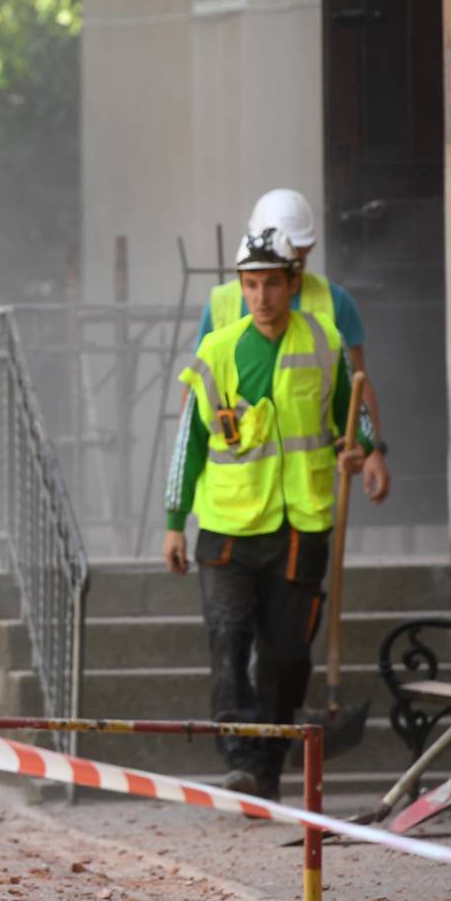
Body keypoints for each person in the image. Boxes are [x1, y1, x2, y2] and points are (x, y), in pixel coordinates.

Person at [163, 230, 389, 802]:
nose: (260, 296)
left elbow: (352, 412)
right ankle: (239, 756)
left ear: (294, 284)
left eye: (271, 284)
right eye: (250, 284)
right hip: (228, 527)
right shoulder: (217, 349)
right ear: (241, 287)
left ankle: (267, 772)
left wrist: (363, 449)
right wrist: (174, 520)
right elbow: (187, 440)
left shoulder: (324, 341)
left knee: (287, 657)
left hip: (301, 524)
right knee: (230, 637)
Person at [200, 189, 390, 501]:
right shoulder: (222, 304)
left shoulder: (334, 302)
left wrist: (373, 450)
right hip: (239, 482)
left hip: (306, 484)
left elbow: (357, 384)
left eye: (297, 258)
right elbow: (197, 397)